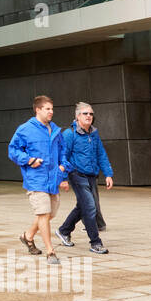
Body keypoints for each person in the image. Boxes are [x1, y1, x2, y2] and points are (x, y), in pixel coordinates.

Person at [8, 96, 70, 265]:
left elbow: (63, 151)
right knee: (43, 213)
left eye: (52, 109)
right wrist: (29, 160)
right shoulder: (25, 129)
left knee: (51, 213)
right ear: (38, 110)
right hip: (35, 179)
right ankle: (50, 252)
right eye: (47, 109)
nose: (51, 112)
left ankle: (27, 236)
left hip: (53, 179)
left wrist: (63, 169)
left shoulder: (55, 130)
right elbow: (12, 150)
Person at [57, 102, 112, 254]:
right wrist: (63, 178)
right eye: (85, 113)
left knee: (83, 206)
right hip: (76, 174)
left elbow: (101, 154)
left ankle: (64, 231)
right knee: (89, 207)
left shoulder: (94, 133)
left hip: (92, 176)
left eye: (91, 114)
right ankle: (95, 242)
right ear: (77, 116)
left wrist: (108, 174)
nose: (89, 116)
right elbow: (62, 157)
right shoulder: (69, 134)